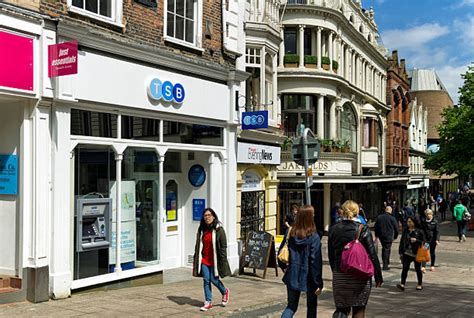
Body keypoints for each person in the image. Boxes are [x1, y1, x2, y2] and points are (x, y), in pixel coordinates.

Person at [328, 200, 383, 318]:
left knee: (341, 308)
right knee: (359, 308)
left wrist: (336, 272)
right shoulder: (363, 229)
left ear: (342, 212)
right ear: (357, 212)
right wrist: (378, 275)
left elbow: (331, 255)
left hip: (340, 273)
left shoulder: (333, 229)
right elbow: (372, 254)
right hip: (360, 274)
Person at [278, 205, 323, 318]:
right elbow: (315, 261)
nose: (314, 216)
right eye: (312, 215)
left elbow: (281, 251)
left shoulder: (291, 232)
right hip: (309, 276)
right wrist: (318, 282)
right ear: (308, 217)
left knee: (291, 306)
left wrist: (284, 267)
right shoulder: (314, 237)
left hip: (292, 273)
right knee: (311, 307)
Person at [192, 208, 231, 311]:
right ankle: (208, 302)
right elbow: (198, 245)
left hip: (215, 260)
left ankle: (224, 291)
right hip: (204, 259)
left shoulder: (219, 229)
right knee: (206, 280)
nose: (207, 217)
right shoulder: (201, 229)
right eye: (205, 216)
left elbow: (223, 246)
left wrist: (223, 260)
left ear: (213, 216)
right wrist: (196, 256)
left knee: (214, 279)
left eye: (209, 215)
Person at [397, 216, 425, 291]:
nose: (408, 223)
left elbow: (424, 242)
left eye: (410, 222)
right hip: (407, 252)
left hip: (416, 253)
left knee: (418, 269)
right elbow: (402, 241)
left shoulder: (419, 231)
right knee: (405, 268)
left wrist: (416, 240)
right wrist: (401, 252)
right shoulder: (406, 230)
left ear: (414, 222)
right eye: (408, 222)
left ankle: (419, 284)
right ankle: (402, 284)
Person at [374, 206, 399, 270]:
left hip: (381, 236)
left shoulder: (379, 217)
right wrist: (395, 236)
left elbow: (376, 227)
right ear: (390, 211)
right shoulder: (392, 218)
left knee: (384, 249)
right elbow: (396, 228)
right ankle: (385, 264)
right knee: (387, 249)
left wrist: (376, 235)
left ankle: (386, 262)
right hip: (388, 236)